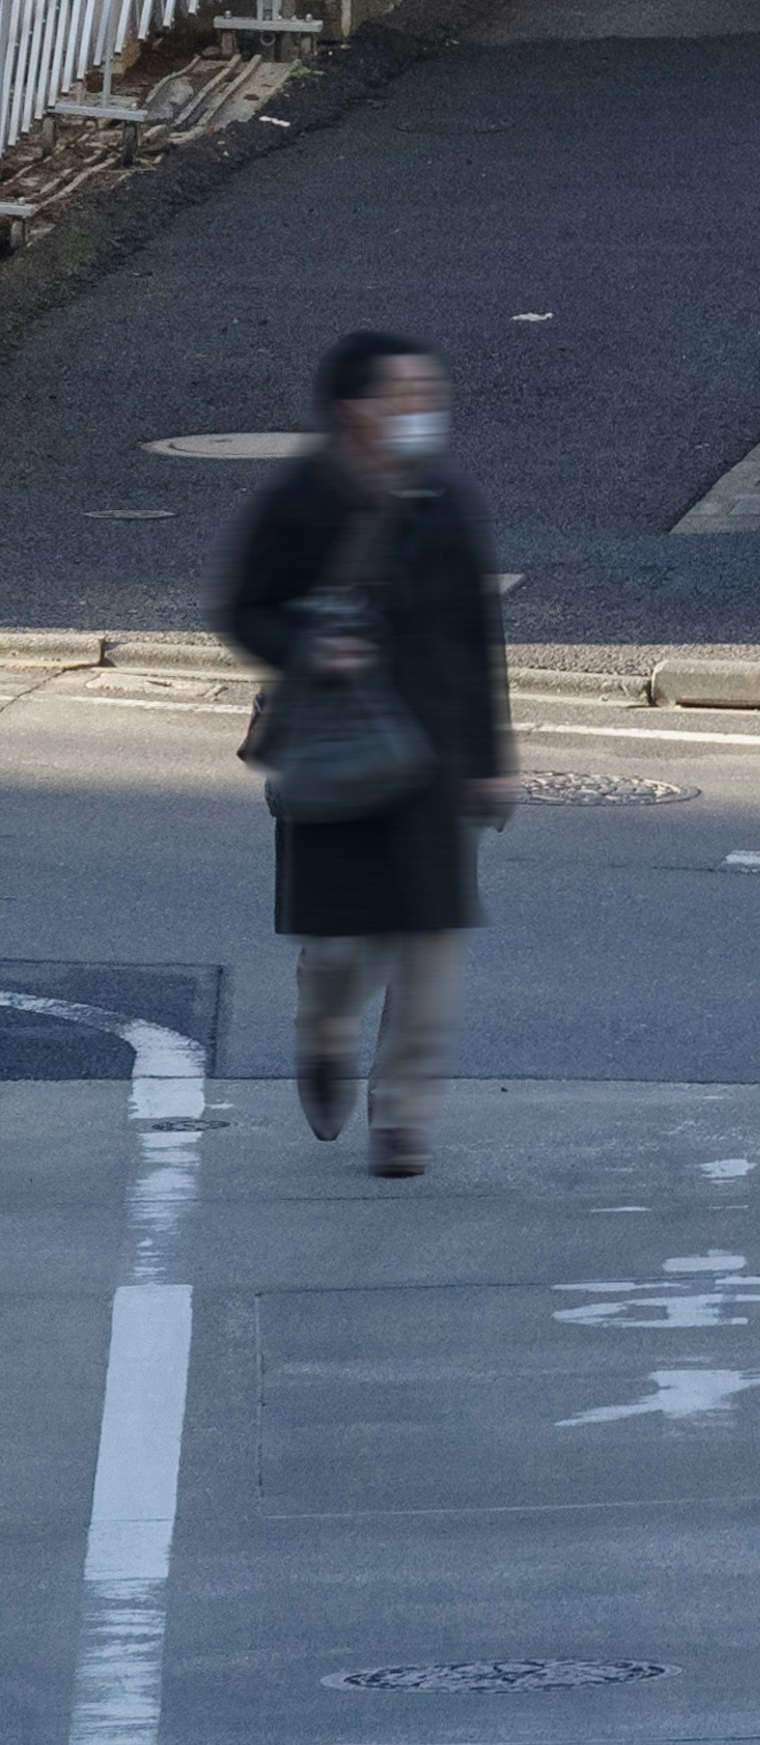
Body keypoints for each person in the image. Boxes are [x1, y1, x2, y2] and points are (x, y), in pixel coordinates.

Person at [220, 334, 515, 1180]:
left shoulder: (445, 497)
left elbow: (475, 635)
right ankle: (324, 1030)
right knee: (344, 945)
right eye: (405, 392)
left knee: (429, 937)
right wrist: (313, 651)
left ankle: (402, 1116)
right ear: (356, 406)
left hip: (432, 750)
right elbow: (245, 609)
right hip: (336, 746)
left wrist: (491, 757)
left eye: (429, 390)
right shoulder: (301, 498)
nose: (424, 406)